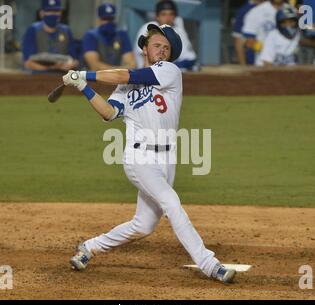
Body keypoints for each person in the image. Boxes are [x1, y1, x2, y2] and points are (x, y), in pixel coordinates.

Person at [62, 24, 236, 284]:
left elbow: (125, 75)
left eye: (166, 48)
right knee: (172, 204)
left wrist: (84, 74)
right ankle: (210, 264)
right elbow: (109, 114)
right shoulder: (124, 89)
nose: (162, 51)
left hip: (167, 159)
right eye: (157, 45)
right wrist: (82, 87)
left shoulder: (169, 71)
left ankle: (90, 247)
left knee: (143, 225)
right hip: (139, 158)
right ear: (145, 47)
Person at [134, 0, 197, 71]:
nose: (168, 18)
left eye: (171, 14)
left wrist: (170, 66)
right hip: (147, 72)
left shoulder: (179, 31)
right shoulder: (148, 27)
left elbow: (191, 58)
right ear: (157, 16)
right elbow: (146, 56)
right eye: (163, 14)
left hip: (171, 73)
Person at [22, 0, 78, 73]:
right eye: (49, 11)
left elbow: (75, 60)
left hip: (62, 76)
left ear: (61, 13)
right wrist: (51, 68)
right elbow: (28, 62)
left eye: (56, 11)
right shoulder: (33, 30)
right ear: (41, 13)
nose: (53, 14)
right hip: (38, 77)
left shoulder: (66, 31)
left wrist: (70, 65)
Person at [82, 3, 136, 71]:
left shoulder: (121, 34)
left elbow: (132, 65)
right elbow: (94, 66)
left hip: (116, 79)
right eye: (105, 19)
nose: (108, 22)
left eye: (110, 19)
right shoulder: (90, 35)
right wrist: (119, 70)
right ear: (99, 19)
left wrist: (114, 71)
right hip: (95, 79)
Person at [242, 0, 286, 66]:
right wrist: (267, 49)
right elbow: (248, 42)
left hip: (288, 62)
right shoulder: (256, 12)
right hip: (263, 64)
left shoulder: (292, 11)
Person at [232, 0, 264, 65]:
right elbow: (238, 43)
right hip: (254, 61)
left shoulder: (275, 6)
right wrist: (243, 66)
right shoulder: (244, 11)